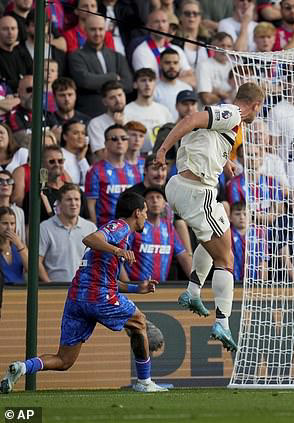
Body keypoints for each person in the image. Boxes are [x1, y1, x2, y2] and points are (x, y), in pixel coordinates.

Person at [0, 191, 167, 394]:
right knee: (139, 321)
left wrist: (136, 288)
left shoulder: (118, 235)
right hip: (97, 295)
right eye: (145, 212)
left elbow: (107, 280)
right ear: (137, 212)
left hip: (78, 297)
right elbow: (89, 238)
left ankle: (22, 367)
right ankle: (144, 382)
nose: (147, 217)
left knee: (64, 360)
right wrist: (118, 251)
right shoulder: (120, 227)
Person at [157, 82, 264, 352]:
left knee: (222, 231)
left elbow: (203, 135)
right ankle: (223, 323)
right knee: (225, 259)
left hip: (186, 189)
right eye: (258, 110)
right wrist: (163, 149)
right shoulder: (234, 114)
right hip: (195, 191)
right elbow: (192, 119)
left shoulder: (228, 121)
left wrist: (225, 161)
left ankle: (193, 291)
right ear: (254, 106)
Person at [122, 187, 191, 282]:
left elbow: (183, 256)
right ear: (144, 205)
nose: (155, 201)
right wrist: (127, 286)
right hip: (136, 289)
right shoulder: (135, 226)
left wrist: (198, 284)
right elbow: (118, 258)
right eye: (150, 198)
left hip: (161, 290)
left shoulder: (169, 228)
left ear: (164, 204)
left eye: (158, 197)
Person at [38, 184, 97, 283]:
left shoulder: (90, 228)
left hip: (84, 288)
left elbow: (98, 261)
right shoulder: (45, 227)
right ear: (59, 203)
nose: (73, 203)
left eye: (77, 199)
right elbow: (37, 262)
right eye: (69, 200)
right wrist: (49, 285)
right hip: (56, 288)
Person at [86, 124, 142, 227]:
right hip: (106, 229)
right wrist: (93, 228)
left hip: (132, 230)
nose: (119, 142)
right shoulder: (95, 170)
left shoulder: (137, 169)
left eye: (123, 138)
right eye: (114, 139)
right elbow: (90, 203)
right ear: (106, 143)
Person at [0, 206, 27, 285]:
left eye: (12, 224)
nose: (9, 228)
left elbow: (32, 270)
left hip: (19, 291)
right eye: (4, 223)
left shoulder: (20, 246)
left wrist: (19, 246)